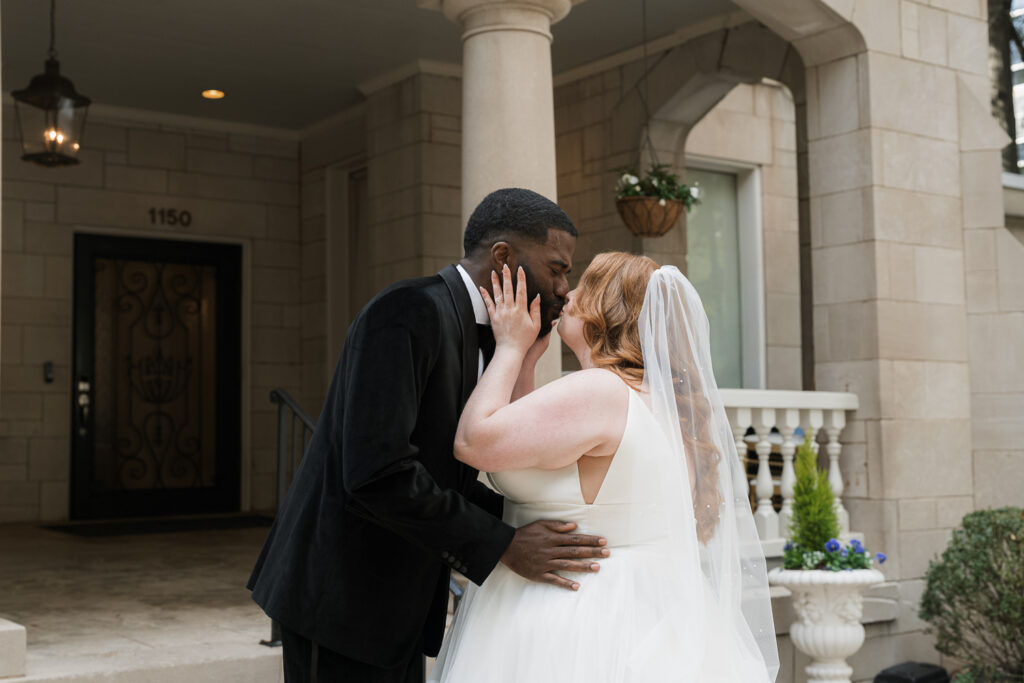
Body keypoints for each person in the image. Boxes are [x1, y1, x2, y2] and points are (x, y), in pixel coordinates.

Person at [247, 188, 610, 683]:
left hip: (399, 603)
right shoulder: (406, 311)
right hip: (339, 597)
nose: (564, 287)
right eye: (557, 267)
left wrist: (530, 519)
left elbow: (443, 473)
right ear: (503, 256)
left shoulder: (494, 336)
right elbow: (378, 473)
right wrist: (505, 543)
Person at [430, 252, 779, 682]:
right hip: (648, 608)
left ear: (611, 311)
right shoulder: (662, 409)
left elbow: (473, 441)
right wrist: (526, 366)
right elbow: (534, 451)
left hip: (575, 612)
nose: (569, 294)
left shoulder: (602, 391)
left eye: (587, 285)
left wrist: (509, 347)